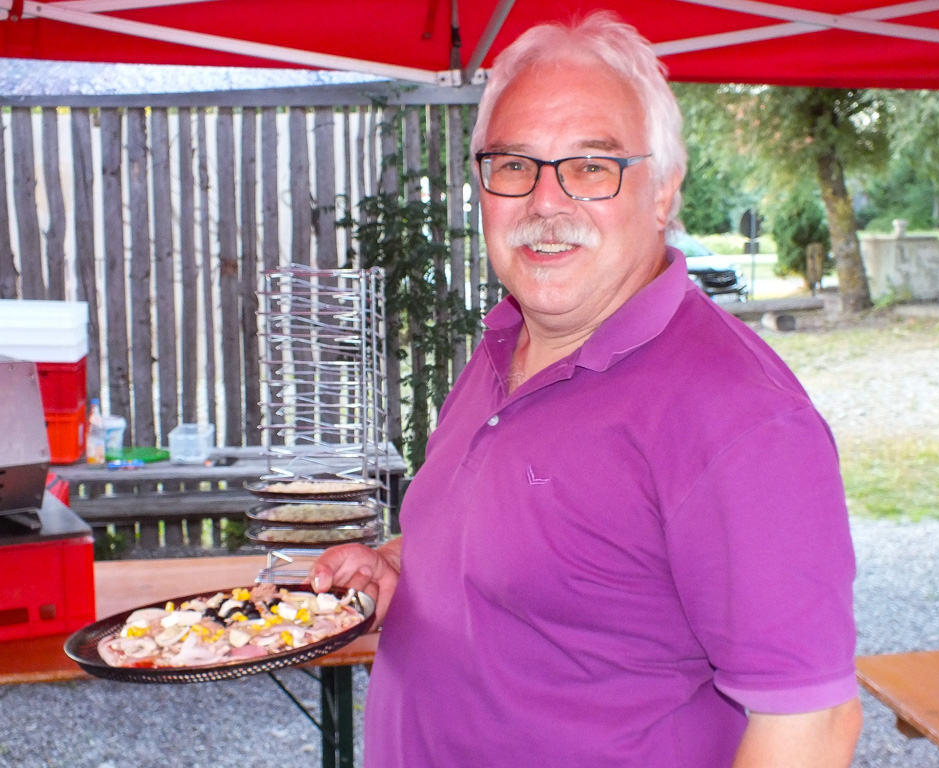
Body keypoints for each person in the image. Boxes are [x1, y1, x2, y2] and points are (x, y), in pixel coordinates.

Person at [310, 12, 862, 767]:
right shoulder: (506, 341)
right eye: (515, 165)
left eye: (592, 166)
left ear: (663, 192)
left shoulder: (741, 417)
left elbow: (811, 727)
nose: (546, 201)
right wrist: (404, 566)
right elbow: (556, 569)